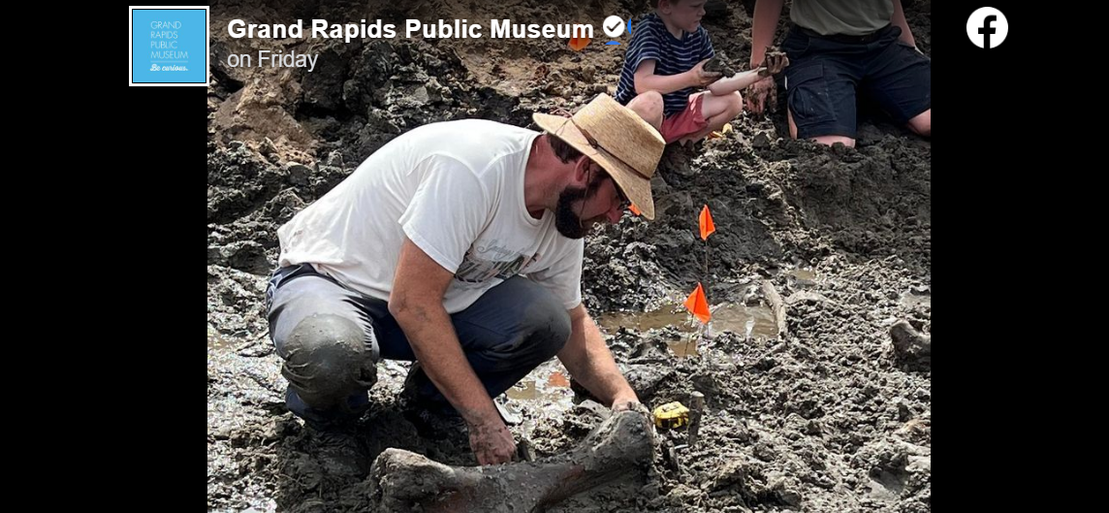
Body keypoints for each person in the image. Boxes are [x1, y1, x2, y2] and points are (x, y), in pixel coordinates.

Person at [264, 94, 665, 466]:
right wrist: (485, 421)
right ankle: (332, 425)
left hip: (425, 306)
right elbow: (412, 303)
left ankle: (430, 408)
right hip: (332, 282)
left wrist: (622, 397)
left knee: (546, 322)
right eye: (618, 199)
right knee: (331, 354)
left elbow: (573, 321)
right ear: (585, 169)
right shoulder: (474, 168)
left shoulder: (564, 214)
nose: (615, 217)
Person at [745, 0, 930, 146]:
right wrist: (760, 68)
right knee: (833, 146)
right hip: (819, 48)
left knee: (928, 122)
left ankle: (859, 93)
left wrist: (910, 48)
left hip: (882, 44)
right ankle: (820, 96)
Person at [615, 0, 754, 145]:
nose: (702, 12)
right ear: (666, 6)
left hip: (673, 116)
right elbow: (643, 84)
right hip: (636, 120)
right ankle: (633, 149)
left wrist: (758, 73)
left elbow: (717, 85)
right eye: (695, 7)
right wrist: (690, 78)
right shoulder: (650, 31)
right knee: (651, 102)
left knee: (733, 99)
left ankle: (682, 143)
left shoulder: (698, 35)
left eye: (703, 5)